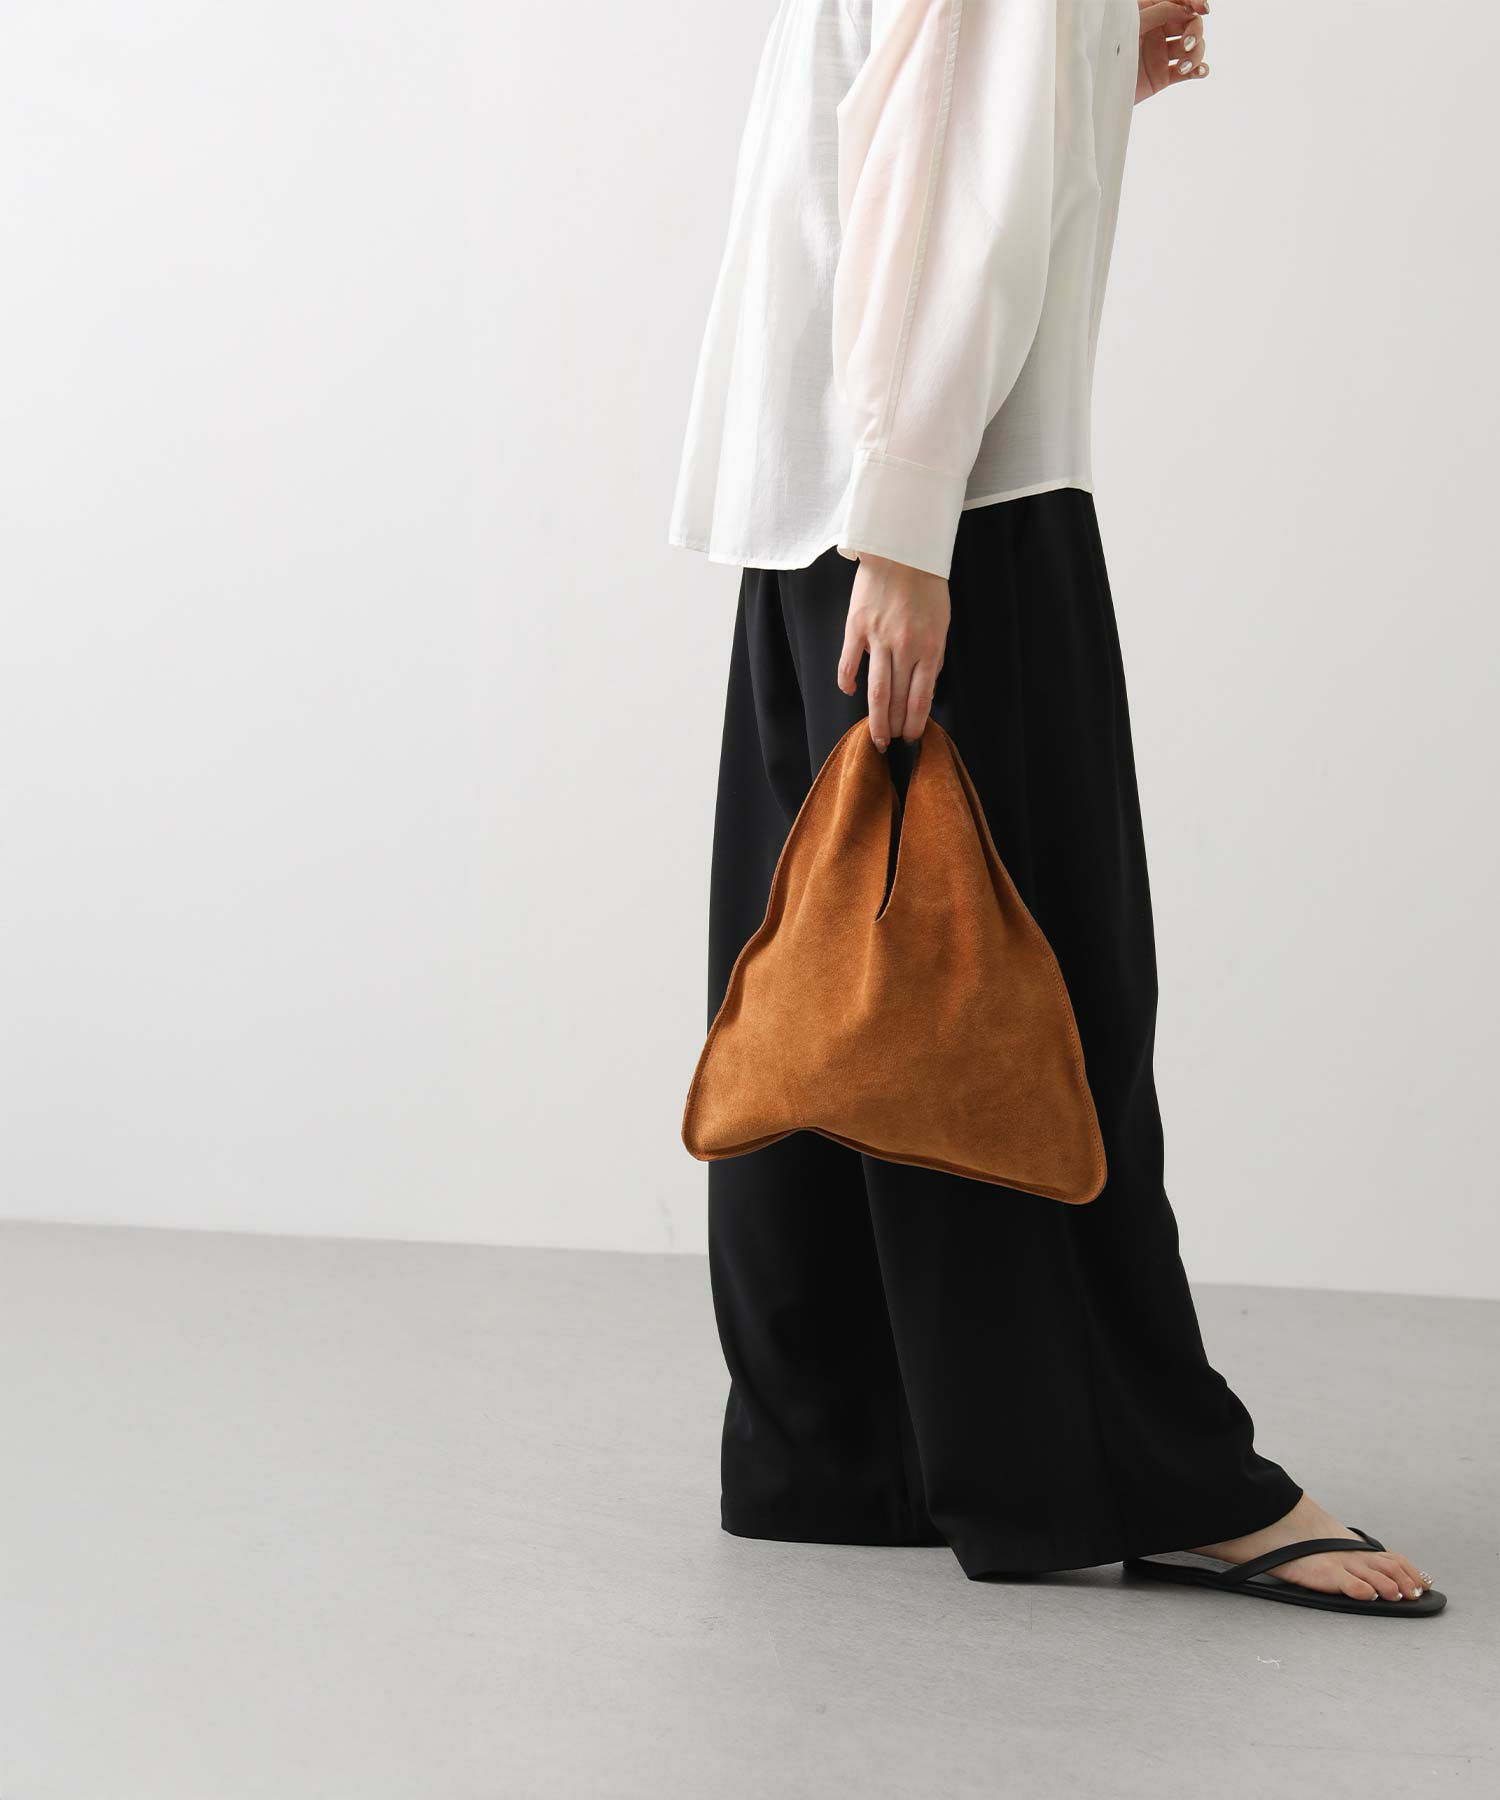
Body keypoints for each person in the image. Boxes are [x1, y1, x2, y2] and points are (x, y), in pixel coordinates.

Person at [668, 0, 1441, 1613]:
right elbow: (953, 170)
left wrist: (1082, 66)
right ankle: (1139, 1469)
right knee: (1028, 998)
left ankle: (846, 1446)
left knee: (839, 968)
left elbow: (906, 111)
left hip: (825, 485)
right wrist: (908, 524)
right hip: (944, 501)